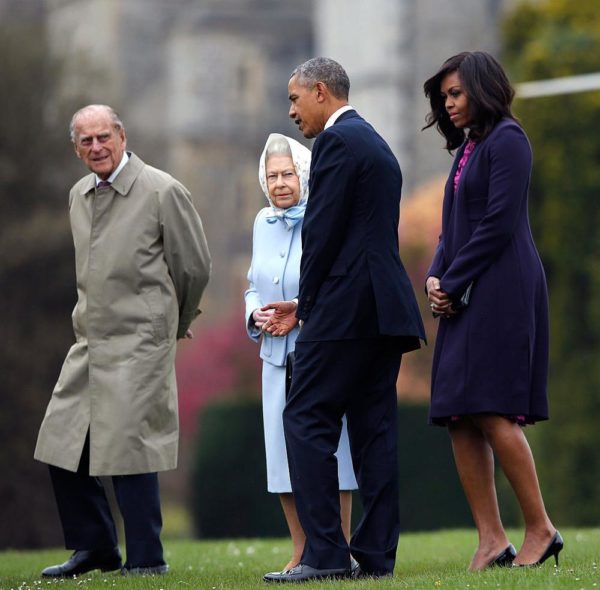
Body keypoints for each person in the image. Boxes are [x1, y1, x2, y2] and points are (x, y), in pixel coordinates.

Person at [261, 58, 425, 583]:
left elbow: (323, 235)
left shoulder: (334, 143)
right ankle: (375, 558)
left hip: (342, 314)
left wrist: (306, 308)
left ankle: (325, 555)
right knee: (374, 433)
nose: (291, 111)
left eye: (294, 98)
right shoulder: (375, 142)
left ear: (322, 92)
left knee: (304, 418)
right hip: (383, 311)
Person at [34, 104, 211, 577]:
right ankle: (95, 549)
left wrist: (172, 323)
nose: (97, 147)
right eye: (86, 141)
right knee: (60, 442)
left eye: (103, 137)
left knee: (132, 449)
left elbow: (193, 267)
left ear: (122, 135)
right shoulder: (78, 196)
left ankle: (148, 559)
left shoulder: (162, 190)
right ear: (76, 149)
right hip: (88, 342)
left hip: (141, 342)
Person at [423, 52, 562, 571]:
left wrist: (453, 282)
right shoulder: (468, 149)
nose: (449, 104)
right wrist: (437, 277)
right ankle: (491, 538)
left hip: (501, 289)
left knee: (491, 407)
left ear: (482, 89)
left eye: (456, 94)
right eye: (445, 97)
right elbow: (451, 227)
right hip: (461, 292)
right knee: (458, 414)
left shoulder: (508, 140)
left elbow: (499, 224)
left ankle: (541, 528)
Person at [245, 133, 357, 573]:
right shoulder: (260, 223)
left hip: (319, 351)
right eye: (272, 176)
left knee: (335, 453)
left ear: (304, 175)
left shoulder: (324, 217)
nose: (279, 183)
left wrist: (303, 315)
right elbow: (254, 283)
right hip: (274, 354)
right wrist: (254, 315)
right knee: (282, 459)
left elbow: (332, 284)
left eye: (287, 173)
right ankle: (301, 550)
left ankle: (340, 549)